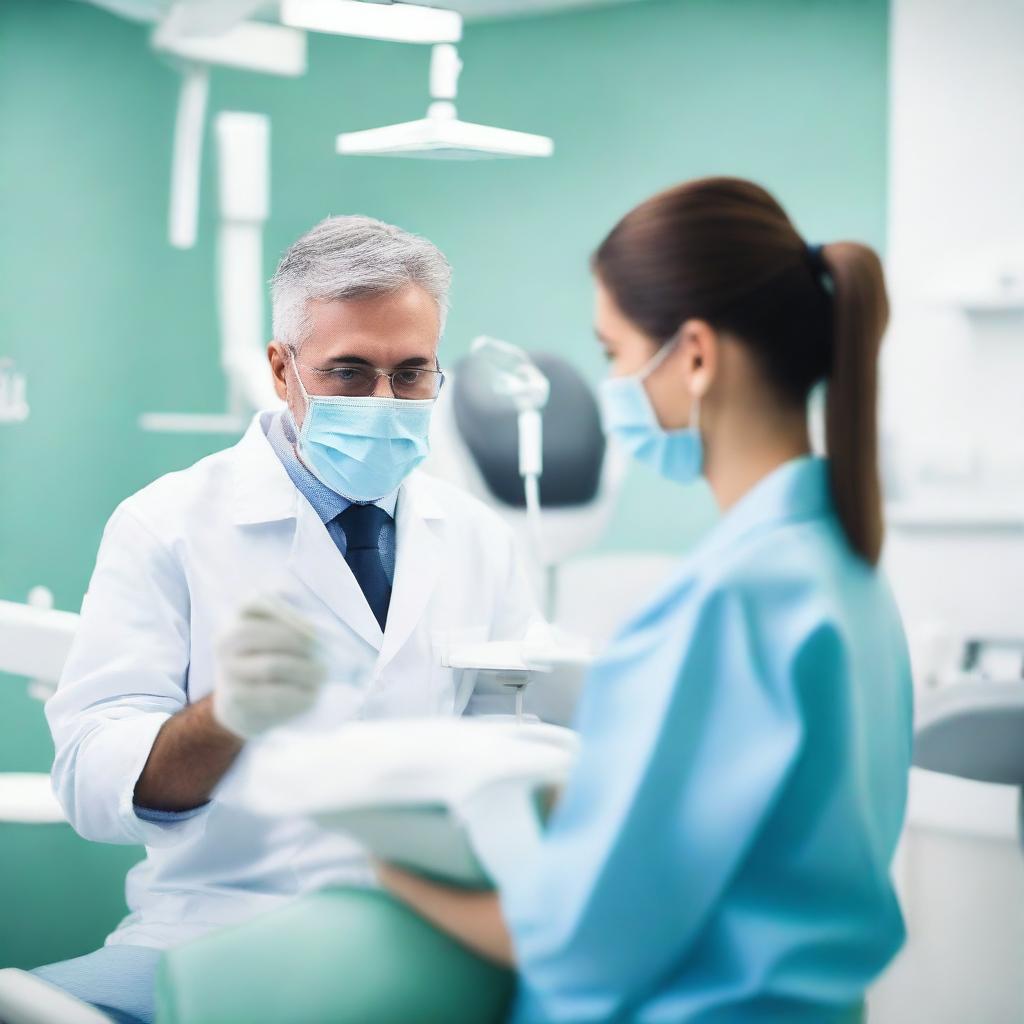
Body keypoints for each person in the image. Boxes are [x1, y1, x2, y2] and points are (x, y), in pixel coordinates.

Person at [378, 177, 914, 1022]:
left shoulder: (725, 604)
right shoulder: (846, 570)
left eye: (614, 353)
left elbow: (580, 945)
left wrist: (379, 868)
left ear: (695, 357)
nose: (615, 384)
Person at [36, 216, 545, 1024]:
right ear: (282, 369)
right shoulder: (165, 523)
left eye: (412, 374)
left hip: (424, 932)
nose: (385, 402)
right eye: (349, 372)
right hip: (212, 928)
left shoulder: (479, 538)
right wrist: (226, 717)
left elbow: (516, 762)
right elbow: (91, 786)